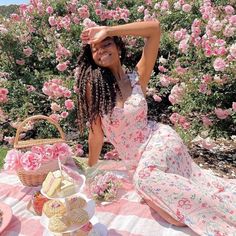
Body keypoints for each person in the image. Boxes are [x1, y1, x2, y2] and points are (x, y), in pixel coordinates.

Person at [76, 21, 236, 235]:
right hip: (139, 160)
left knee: (145, 180)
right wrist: (91, 171)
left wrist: (109, 30)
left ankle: (222, 215)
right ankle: (192, 210)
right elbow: (95, 135)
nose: (101, 51)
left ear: (117, 46)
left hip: (159, 140)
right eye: (95, 50)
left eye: (106, 44)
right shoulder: (95, 88)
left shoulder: (137, 78)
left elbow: (154, 30)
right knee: (153, 185)